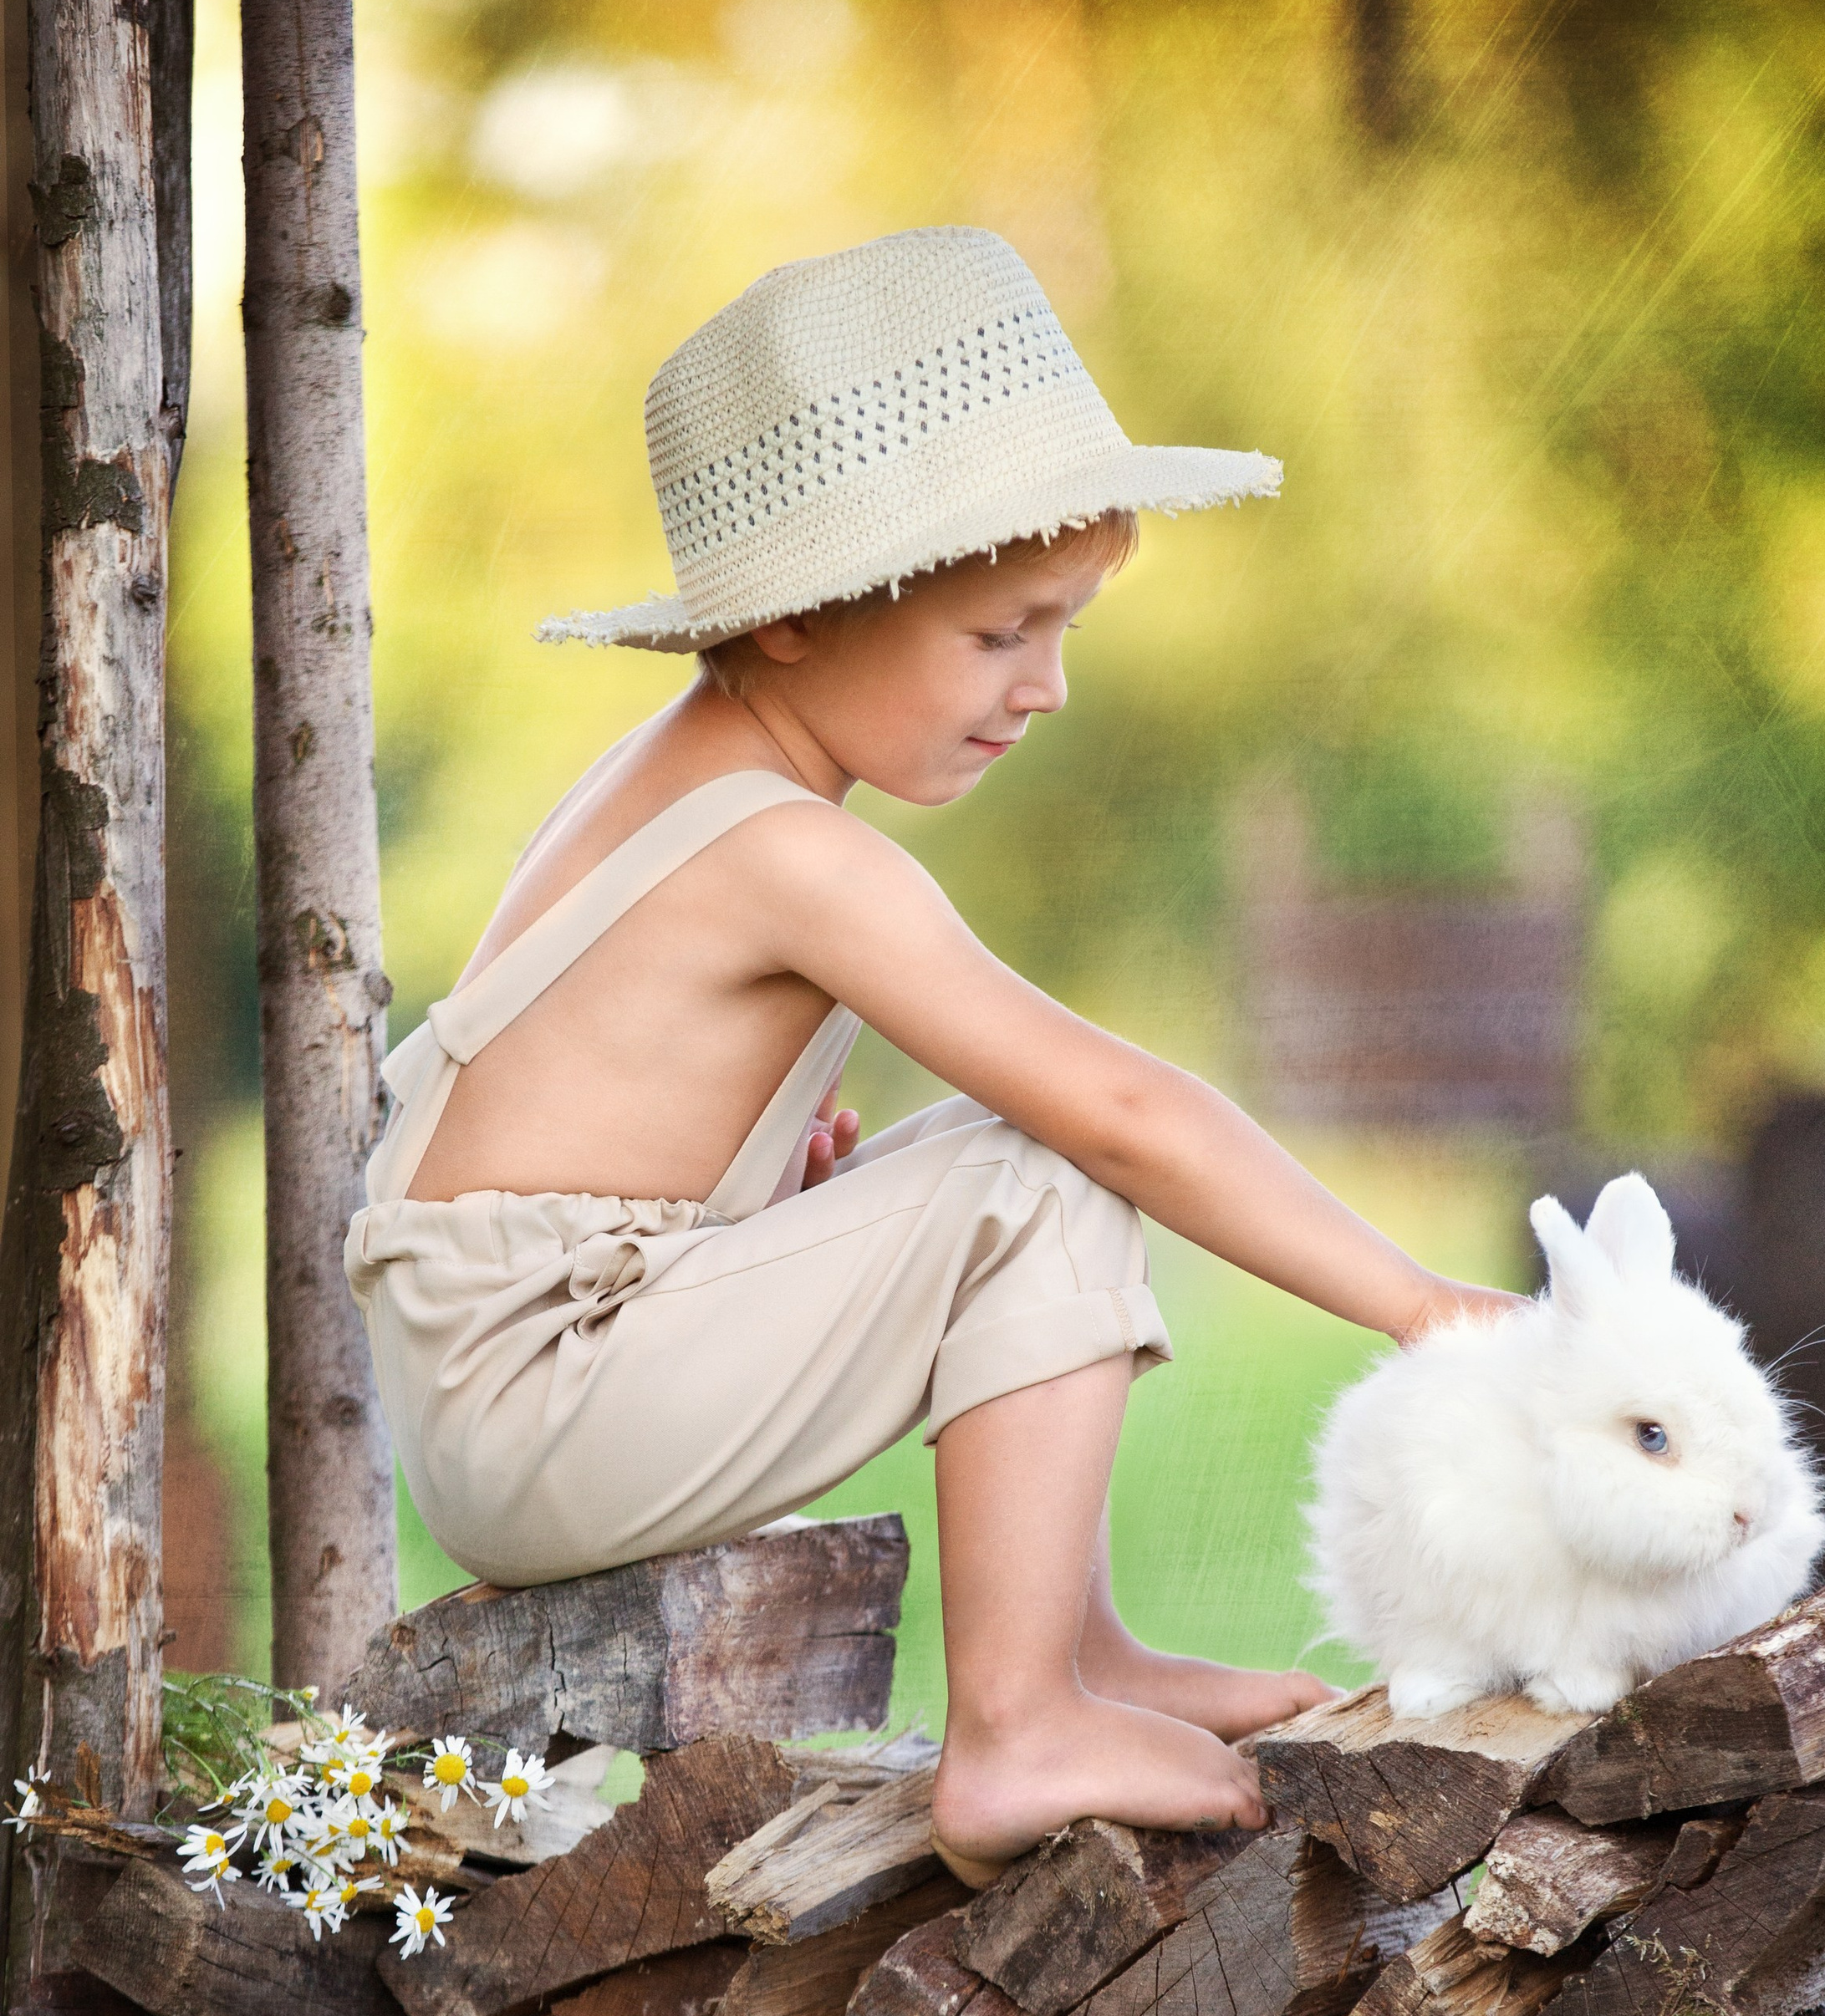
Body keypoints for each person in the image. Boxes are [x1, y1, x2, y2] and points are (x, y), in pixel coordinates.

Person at [346, 227, 1515, 1880]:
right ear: (795, 620)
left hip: (524, 1379)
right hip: (541, 1399)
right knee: (1044, 1168)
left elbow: (583, 1135)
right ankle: (1018, 1723)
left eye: (1064, 627)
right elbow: (1120, 1112)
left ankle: (1079, 1657)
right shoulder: (786, 850)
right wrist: (1419, 1305)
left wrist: (752, 1209)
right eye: (999, 633)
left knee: (1004, 1156)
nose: (1046, 687)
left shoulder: (695, 780)